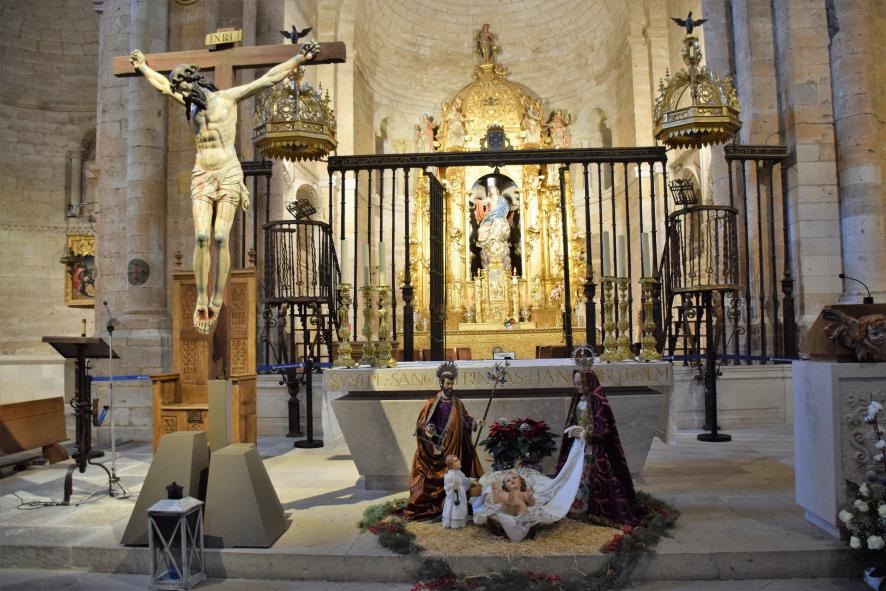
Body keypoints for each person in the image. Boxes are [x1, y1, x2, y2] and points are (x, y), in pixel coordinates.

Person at [128, 41, 320, 334]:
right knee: (201, 236)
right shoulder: (189, 103)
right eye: (178, 90)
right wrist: (143, 67)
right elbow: (163, 87)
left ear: (193, 81)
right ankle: (201, 298)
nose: (180, 93)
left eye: (182, 87)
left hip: (228, 173)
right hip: (202, 173)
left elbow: (267, 79)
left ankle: (217, 298)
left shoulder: (228, 98)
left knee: (220, 237)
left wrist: (298, 58)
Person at [556, 367, 643, 526]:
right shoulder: (578, 400)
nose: (577, 387)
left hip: (593, 449)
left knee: (589, 477)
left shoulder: (599, 403)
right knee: (575, 476)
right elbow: (576, 421)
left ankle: (592, 510)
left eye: (580, 384)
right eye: (575, 383)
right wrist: (573, 429)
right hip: (578, 447)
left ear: (590, 383)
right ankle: (576, 507)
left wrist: (585, 434)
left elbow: (605, 432)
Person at [401, 361, 484, 520]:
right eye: (448, 383)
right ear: (441, 383)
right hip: (438, 447)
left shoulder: (457, 402)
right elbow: (424, 423)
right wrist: (429, 429)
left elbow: (465, 419)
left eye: (452, 383)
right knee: (432, 475)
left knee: (456, 473)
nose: (450, 386)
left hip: (454, 445)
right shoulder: (432, 402)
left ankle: (455, 506)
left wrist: (475, 422)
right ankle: (437, 504)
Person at [441, 455, 471, 529]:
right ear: (451, 465)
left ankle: (461, 522)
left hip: (461, 494)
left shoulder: (460, 473)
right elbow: (447, 487)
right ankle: (454, 523)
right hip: (454, 496)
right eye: (456, 461)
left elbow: (465, 480)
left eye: (458, 460)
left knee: (461, 506)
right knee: (454, 508)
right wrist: (452, 486)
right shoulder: (448, 476)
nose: (459, 462)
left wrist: (471, 481)